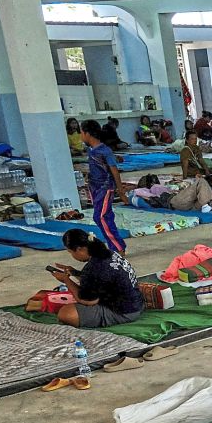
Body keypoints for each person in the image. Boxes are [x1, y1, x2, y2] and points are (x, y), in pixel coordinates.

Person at [49, 229, 143, 328]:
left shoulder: (93, 267)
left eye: (70, 252)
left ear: (79, 249)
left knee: (66, 313)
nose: (72, 256)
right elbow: (97, 280)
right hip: (136, 304)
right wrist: (74, 272)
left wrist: (66, 280)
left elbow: (88, 301)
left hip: (124, 313)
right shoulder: (110, 253)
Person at [80, 119, 130, 255]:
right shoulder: (92, 151)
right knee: (103, 217)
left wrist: (120, 190)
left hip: (105, 188)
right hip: (95, 188)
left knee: (101, 217)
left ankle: (118, 247)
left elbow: (114, 170)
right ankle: (115, 246)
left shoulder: (104, 150)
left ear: (87, 134)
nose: (81, 136)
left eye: (81, 133)